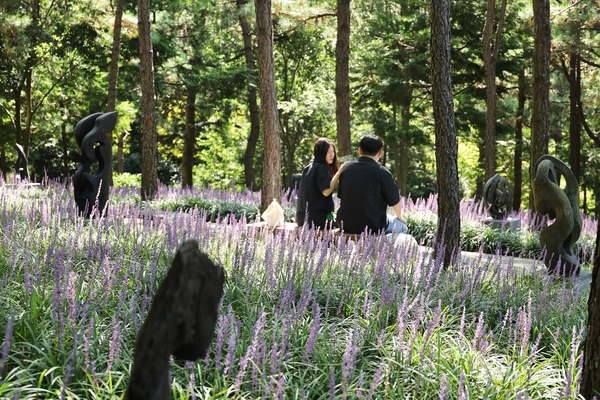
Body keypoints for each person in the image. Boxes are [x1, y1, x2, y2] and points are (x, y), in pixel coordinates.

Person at [336, 134, 408, 238]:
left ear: (360, 151)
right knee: (403, 228)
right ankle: (387, 253)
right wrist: (399, 217)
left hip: (345, 224)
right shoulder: (382, 172)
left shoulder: (346, 169)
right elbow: (394, 201)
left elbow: (342, 195)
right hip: (373, 225)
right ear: (380, 152)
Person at [296, 138, 347, 230]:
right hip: (315, 218)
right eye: (328, 152)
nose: (332, 155)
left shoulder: (309, 165)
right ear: (321, 153)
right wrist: (339, 172)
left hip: (301, 217)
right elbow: (326, 191)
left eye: (333, 152)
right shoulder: (321, 168)